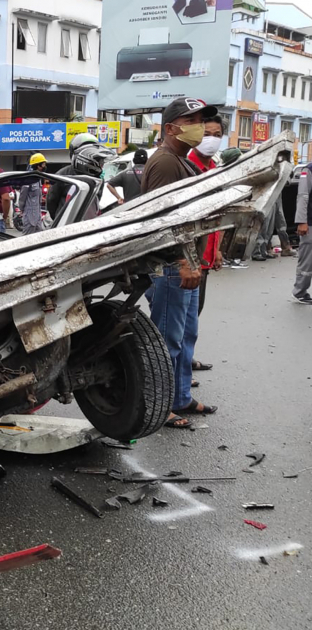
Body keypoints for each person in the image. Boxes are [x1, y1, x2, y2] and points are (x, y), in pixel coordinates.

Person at [140, 97, 219, 428]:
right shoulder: (165, 163)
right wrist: (181, 262)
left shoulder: (179, 160)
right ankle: (158, 406)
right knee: (167, 341)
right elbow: (162, 221)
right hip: (172, 266)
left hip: (187, 262)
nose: (201, 128)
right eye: (194, 121)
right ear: (171, 127)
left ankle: (181, 397)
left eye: (202, 120)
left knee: (187, 335)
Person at [185, 115, 224, 373]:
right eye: (207, 133)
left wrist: (218, 248)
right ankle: (178, 368)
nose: (212, 139)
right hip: (187, 258)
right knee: (180, 317)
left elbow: (217, 215)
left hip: (207, 254)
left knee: (194, 312)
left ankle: (186, 361)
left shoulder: (215, 168)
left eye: (217, 134)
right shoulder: (187, 166)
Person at [46, 133, 100, 219]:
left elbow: (97, 198)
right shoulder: (62, 175)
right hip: (66, 222)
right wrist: (59, 218)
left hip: (89, 223)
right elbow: (51, 201)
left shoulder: (98, 175)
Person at [292, 160, 312, 304]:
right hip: (310, 223)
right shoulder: (309, 170)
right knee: (307, 261)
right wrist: (302, 222)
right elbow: (303, 196)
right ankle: (300, 291)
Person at [18, 153, 47, 234]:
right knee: (27, 239)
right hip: (29, 214)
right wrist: (22, 209)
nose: (45, 166)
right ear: (38, 166)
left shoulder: (38, 179)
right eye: (43, 164)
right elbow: (23, 196)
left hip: (37, 215)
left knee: (38, 238)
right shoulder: (28, 179)